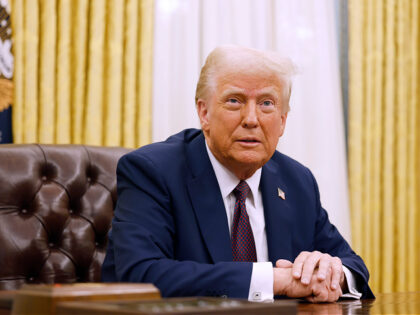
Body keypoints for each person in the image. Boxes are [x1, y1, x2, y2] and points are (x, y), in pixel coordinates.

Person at [102, 46, 374, 302]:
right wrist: (274, 280)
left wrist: (331, 274)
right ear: (204, 112)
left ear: (282, 121)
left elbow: (354, 267)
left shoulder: (296, 181)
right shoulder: (153, 172)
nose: (251, 119)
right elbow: (139, 276)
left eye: (267, 103)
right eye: (234, 101)